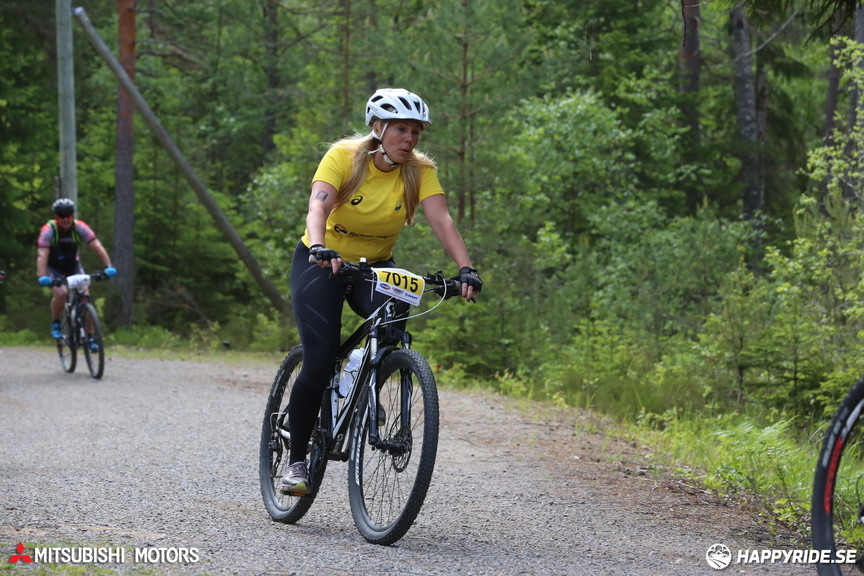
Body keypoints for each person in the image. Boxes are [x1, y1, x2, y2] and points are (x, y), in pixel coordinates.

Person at [281, 88, 483, 494]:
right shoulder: (343, 157)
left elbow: (442, 220)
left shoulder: (420, 171)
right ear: (378, 128)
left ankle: (360, 380)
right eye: (401, 130)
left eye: (415, 132)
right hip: (322, 261)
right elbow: (317, 206)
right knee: (319, 361)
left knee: (391, 331)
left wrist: (466, 268)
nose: (409, 139)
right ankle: (297, 460)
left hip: (375, 267)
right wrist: (321, 245)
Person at [36, 198, 116, 341]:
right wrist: (42, 276)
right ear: (56, 217)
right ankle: (56, 322)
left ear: (73, 216)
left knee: (85, 298)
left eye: (69, 216)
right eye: (62, 216)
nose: (66, 220)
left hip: (73, 266)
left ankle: (90, 335)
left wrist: (108, 266)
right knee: (61, 293)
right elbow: (42, 254)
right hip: (53, 267)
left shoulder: (80, 227)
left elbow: (96, 245)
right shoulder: (48, 230)